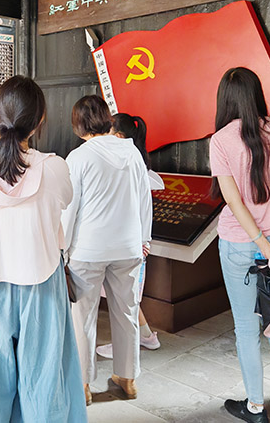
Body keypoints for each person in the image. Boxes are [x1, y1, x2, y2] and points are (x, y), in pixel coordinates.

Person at [0, 76, 87, 422]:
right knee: (43, 373)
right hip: (41, 279)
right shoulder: (54, 167)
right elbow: (64, 202)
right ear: (39, 121)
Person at [210, 68, 270, 423]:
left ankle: (255, 407)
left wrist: (260, 242)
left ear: (225, 100)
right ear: (257, 94)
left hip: (239, 244)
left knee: (247, 327)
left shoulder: (221, 139)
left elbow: (233, 200)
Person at [62, 95, 152, 403]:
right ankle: (127, 379)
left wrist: (63, 248)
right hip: (128, 247)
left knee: (82, 318)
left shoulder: (78, 157)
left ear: (78, 123)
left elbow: (69, 209)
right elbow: (144, 200)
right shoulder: (131, 152)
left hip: (88, 250)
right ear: (106, 119)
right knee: (127, 313)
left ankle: (83, 385)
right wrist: (144, 240)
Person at [96, 113, 162, 360]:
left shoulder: (129, 166)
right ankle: (147, 337)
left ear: (120, 137)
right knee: (126, 295)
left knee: (123, 297)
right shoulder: (135, 163)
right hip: (130, 242)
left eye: (108, 132)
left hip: (129, 244)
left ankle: (124, 346)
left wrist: (142, 241)